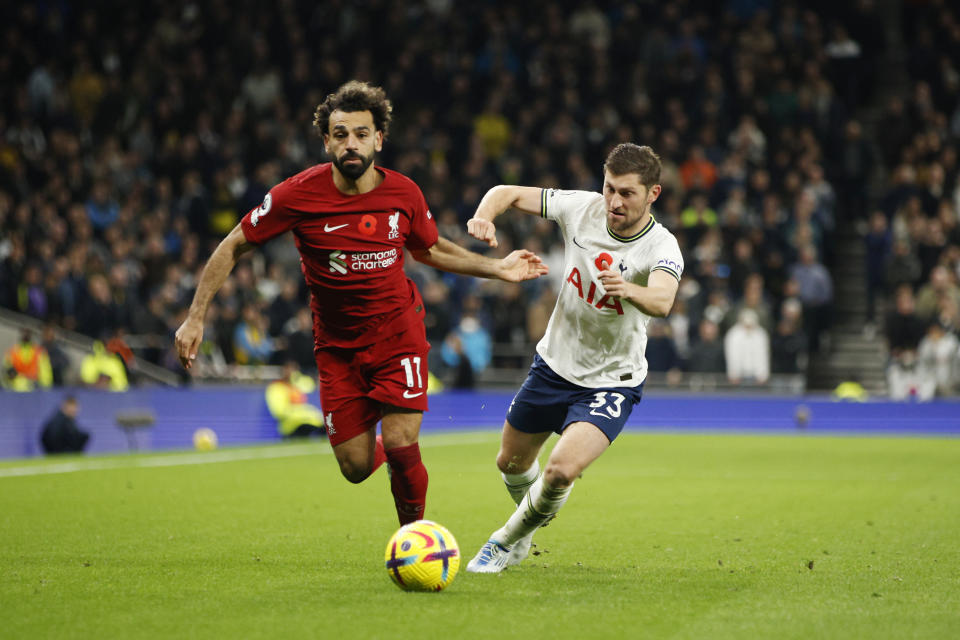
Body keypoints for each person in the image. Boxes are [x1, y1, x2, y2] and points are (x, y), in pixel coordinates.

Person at [174, 81, 547, 526]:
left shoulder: (404, 193)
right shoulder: (297, 195)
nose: (351, 143)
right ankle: (394, 465)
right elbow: (234, 244)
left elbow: (429, 249)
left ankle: (416, 541)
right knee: (353, 467)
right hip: (337, 347)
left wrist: (497, 268)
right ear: (326, 141)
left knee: (401, 443)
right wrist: (196, 317)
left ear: (379, 139)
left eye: (361, 134)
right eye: (341, 134)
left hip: (397, 334)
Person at [463, 143, 683, 573]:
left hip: (612, 379)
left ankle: (503, 540)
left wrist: (628, 290)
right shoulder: (581, 208)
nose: (615, 202)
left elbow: (663, 300)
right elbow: (505, 190)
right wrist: (484, 216)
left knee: (561, 470)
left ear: (653, 194)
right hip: (554, 364)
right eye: (609, 189)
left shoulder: (662, 245)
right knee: (510, 462)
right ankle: (527, 530)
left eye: (627, 193)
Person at [266, 361, 325, 438]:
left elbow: (309, 386)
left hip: (310, 422)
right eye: (288, 369)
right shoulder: (276, 387)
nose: (291, 372)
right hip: (291, 426)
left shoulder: (297, 383)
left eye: (294, 370)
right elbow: (279, 411)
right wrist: (299, 413)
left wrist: (296, 377)